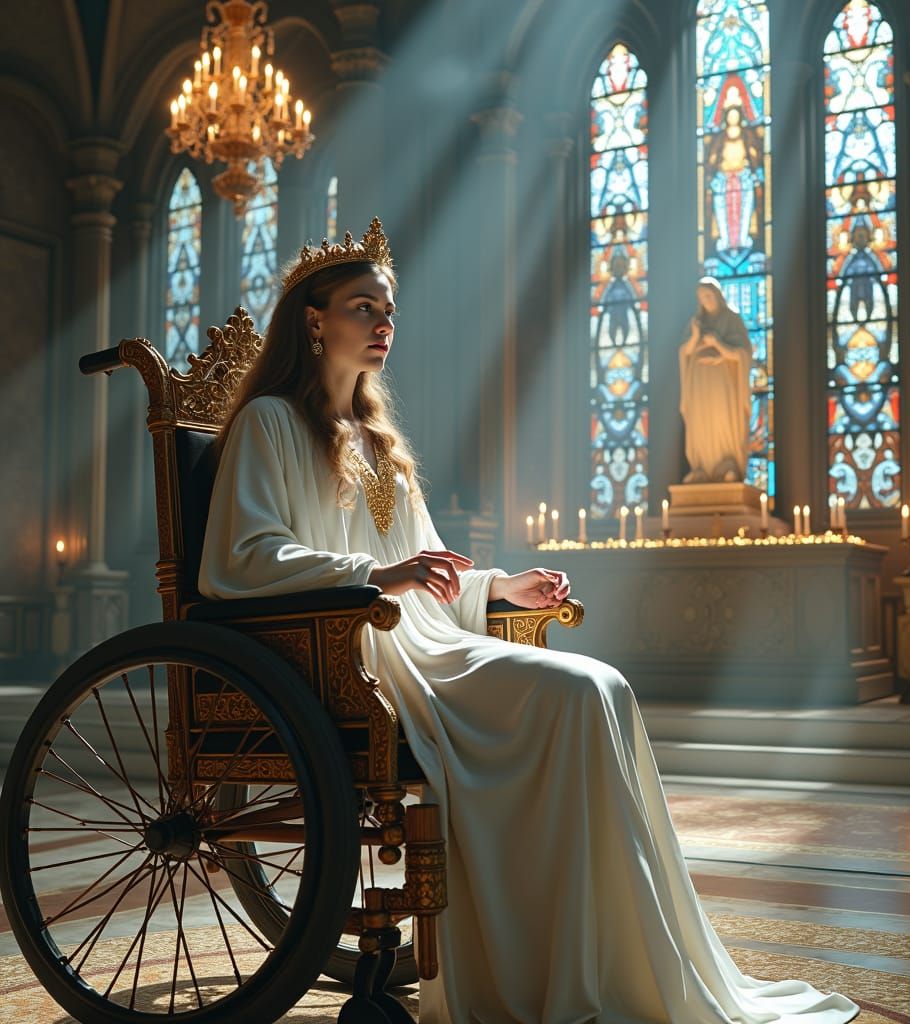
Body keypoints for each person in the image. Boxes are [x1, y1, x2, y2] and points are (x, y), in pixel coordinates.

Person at [200, 220, 858, 1024]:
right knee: (580, 697)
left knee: (603, 687)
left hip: (426, 641)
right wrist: (372, 574)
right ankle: (559, 970)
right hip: (359, 656)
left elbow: (432, 567)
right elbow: (242, 557)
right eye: (362, 308)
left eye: (389, 311)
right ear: (314, 320)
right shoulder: (272, 422)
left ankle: (599, 960)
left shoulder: (381, 444)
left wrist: (503, 587)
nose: (383, 325)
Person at [679, 278, 754, 484]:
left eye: (709, 296)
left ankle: (728, 465)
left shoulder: (732, 319)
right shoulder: (696, 322)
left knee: (723, 422)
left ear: (718, 296)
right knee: (701, 424)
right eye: (702, 297)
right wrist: (695, 336)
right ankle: (701, 467)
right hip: (699, 383)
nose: (706, 300)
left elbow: (743, 353)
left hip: (723, 383)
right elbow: (684, 352)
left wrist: (718, 345)